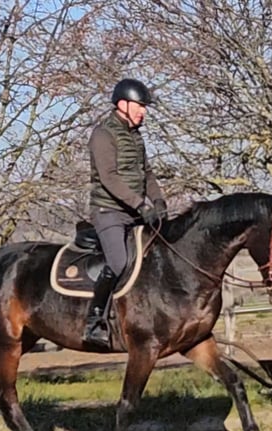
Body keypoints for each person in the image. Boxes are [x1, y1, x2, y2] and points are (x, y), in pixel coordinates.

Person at [82, 78, 168, 348]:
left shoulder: (135, 136)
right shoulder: (103, 134)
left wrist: (158, 201)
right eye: (140, 105)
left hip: (135, 212)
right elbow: (108, 177)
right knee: (119, 263)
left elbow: (147, 174)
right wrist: (140, 203)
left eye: (145, 107)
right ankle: (94, 321)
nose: (144, 111)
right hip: (109, 212)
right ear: (123, 104)